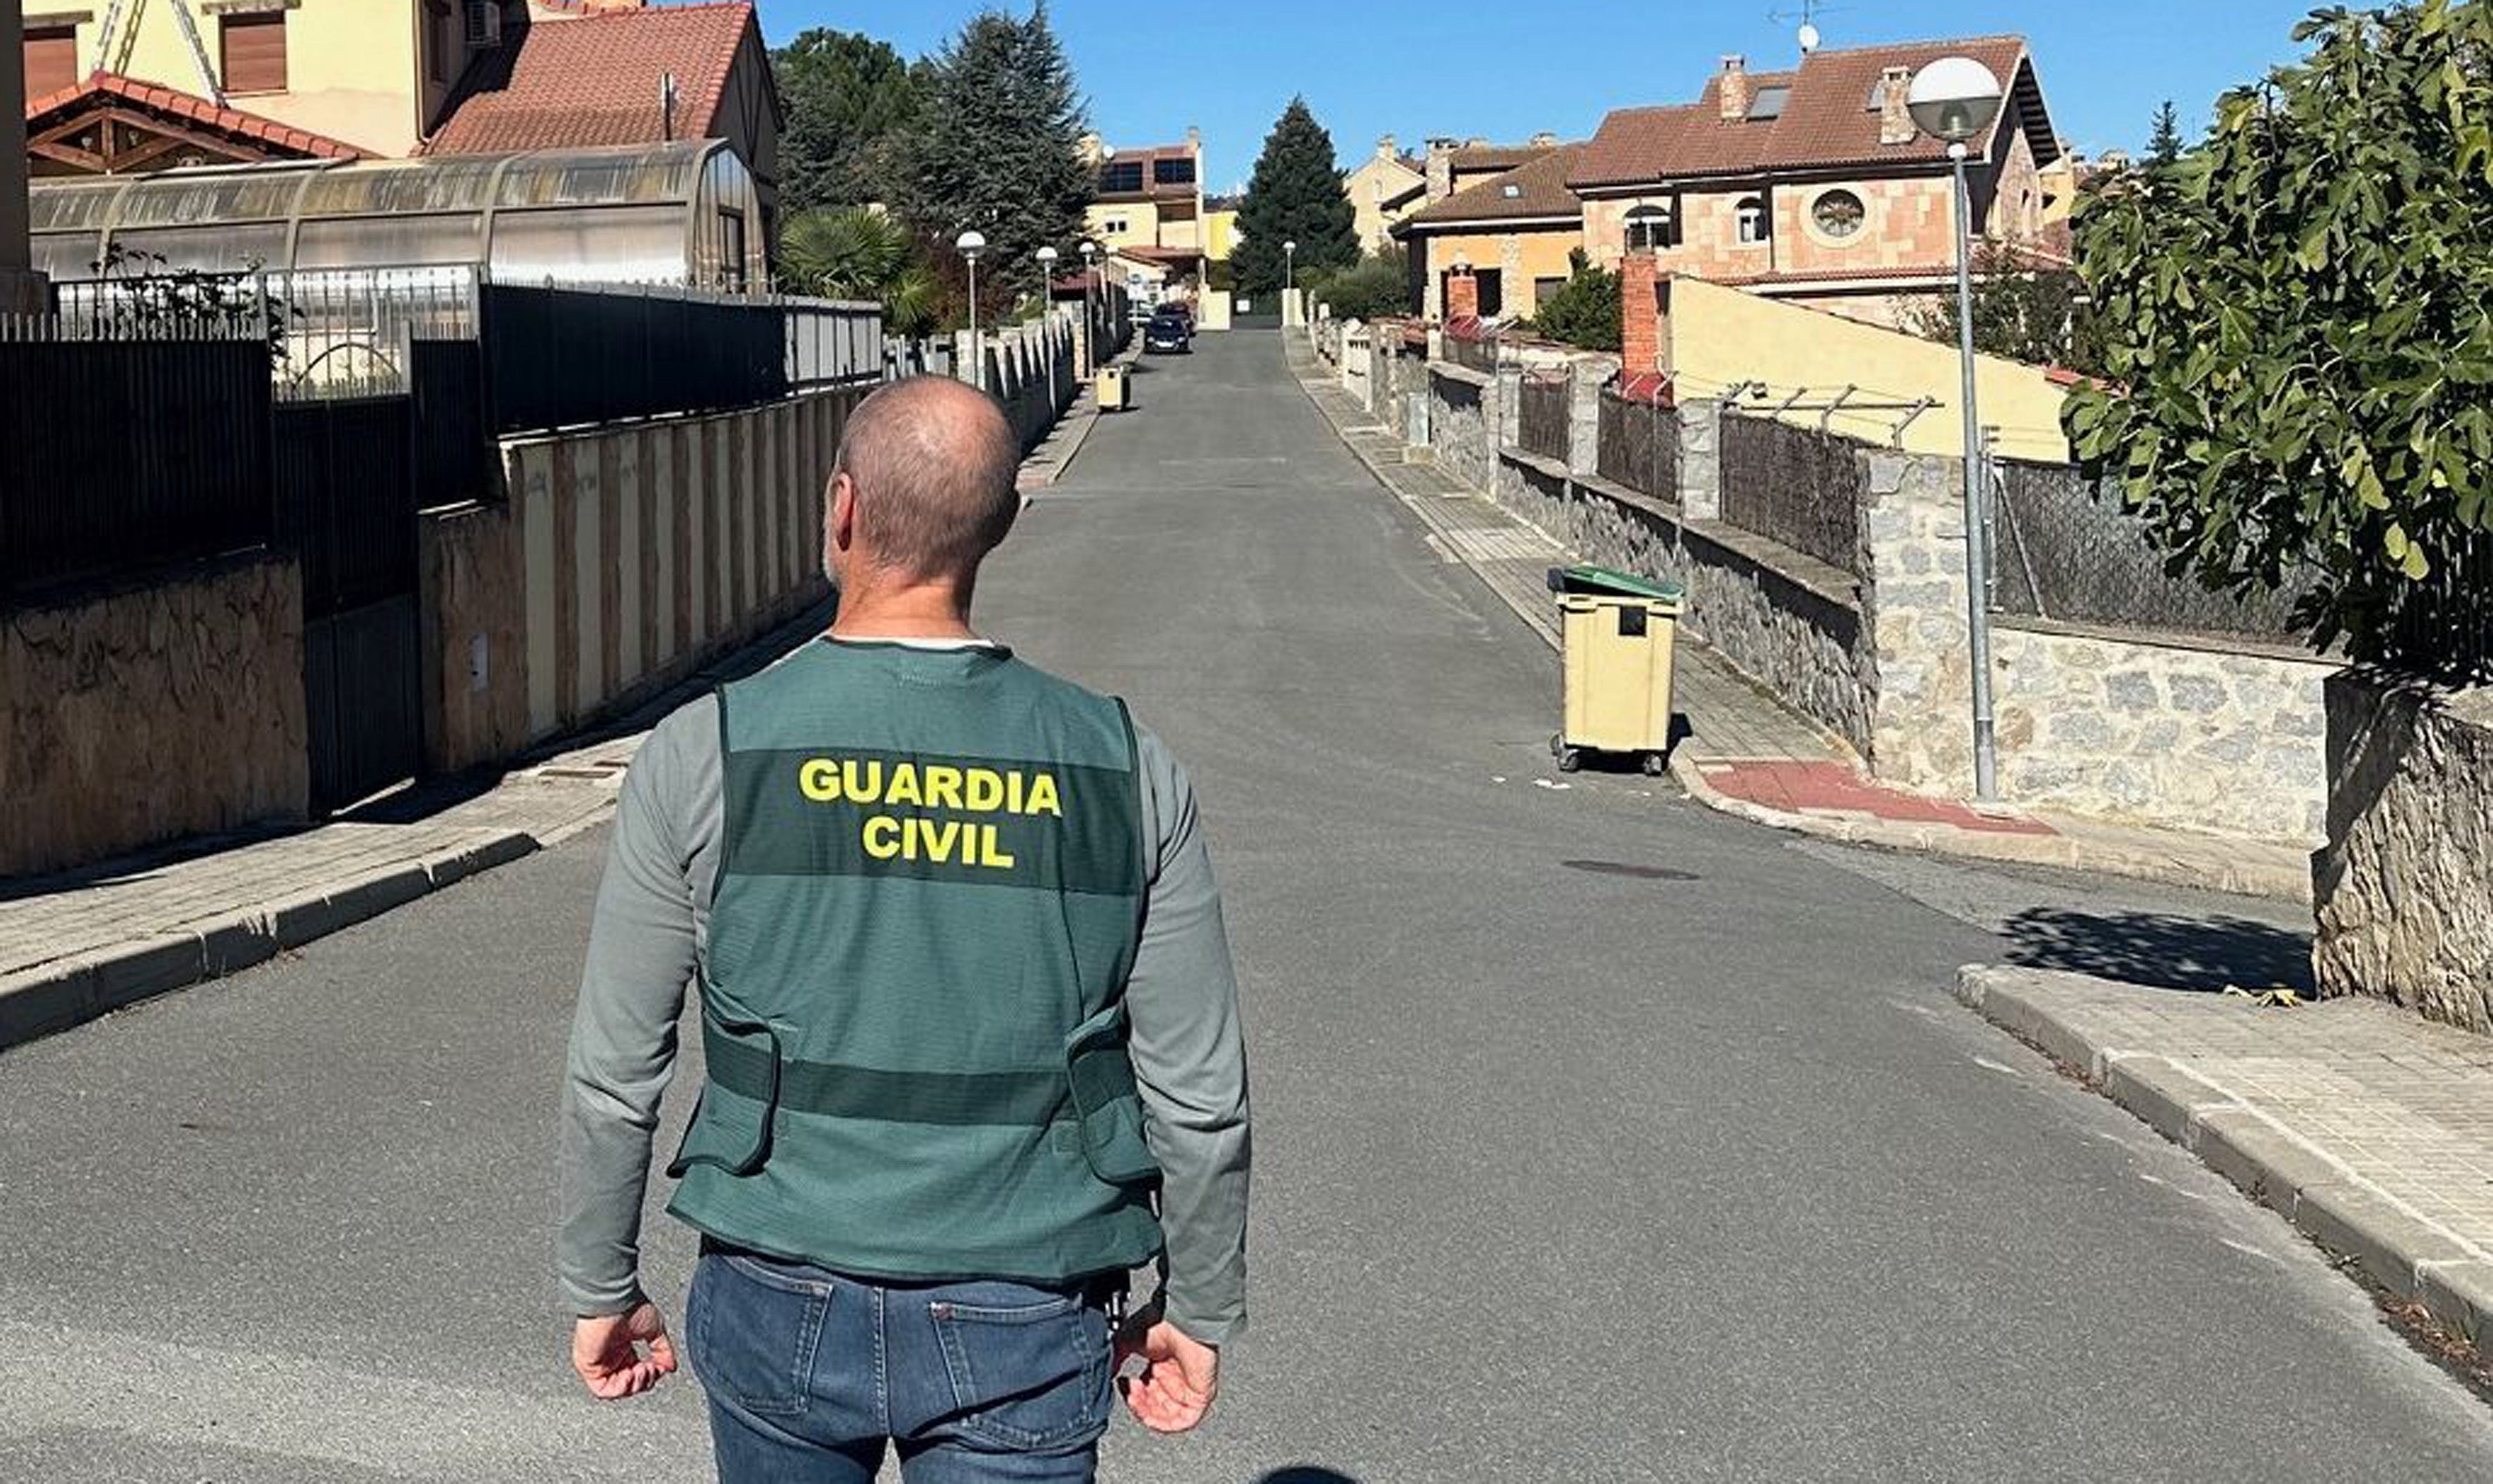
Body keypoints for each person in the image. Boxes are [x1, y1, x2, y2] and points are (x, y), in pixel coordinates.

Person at [558, 376, 1251, 1480]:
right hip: (1029, 1300)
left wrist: (602, 1280)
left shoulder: (705, 751)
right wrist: (1200, 1302)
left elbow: (615, 1069)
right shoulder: (1124, 766)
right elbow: (1200, 1100)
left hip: (778, 1281)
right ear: (1002, 524)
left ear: (841, 507)